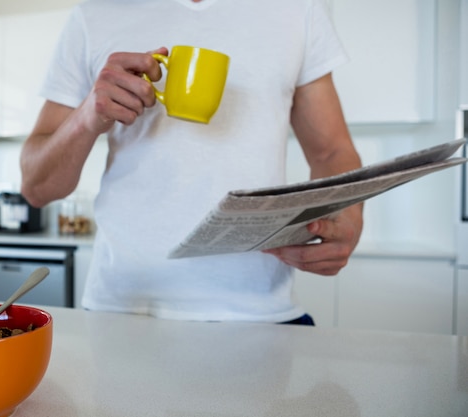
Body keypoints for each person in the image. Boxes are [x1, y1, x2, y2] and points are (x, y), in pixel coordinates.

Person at [20, 0, 363, 324]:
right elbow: (36, 188)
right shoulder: (93, 14)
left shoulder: (297, 8)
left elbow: (331, 152)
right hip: (123, 310)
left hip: (260, 311)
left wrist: (347, 221)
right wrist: (85, 116)